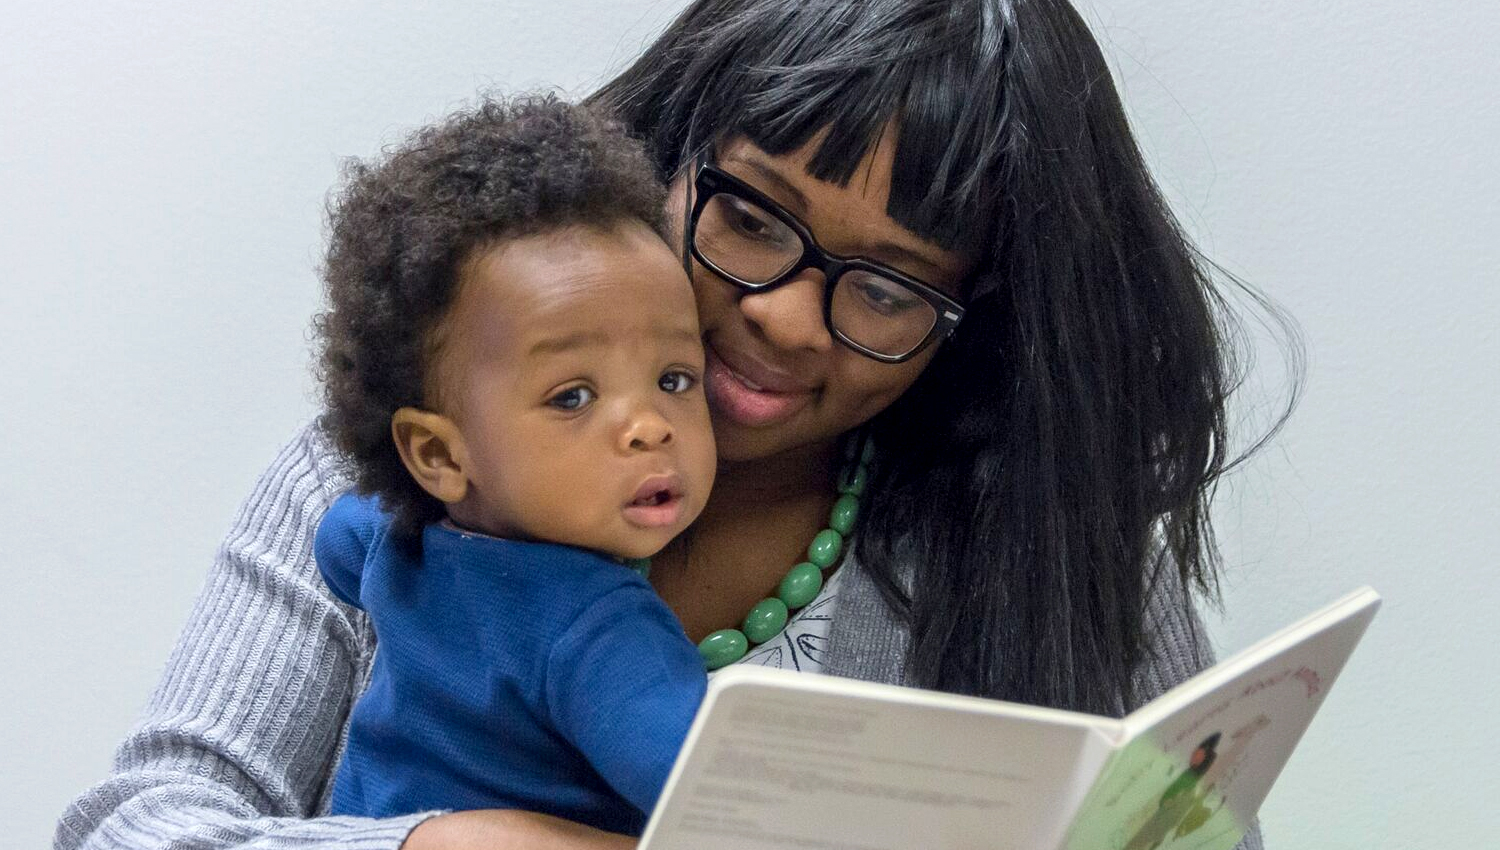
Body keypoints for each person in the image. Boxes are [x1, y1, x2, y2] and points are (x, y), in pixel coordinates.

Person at [54, 1, 1285, 849]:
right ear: (667, 157)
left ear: (971, 321)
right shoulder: (396, 470)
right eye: (750, 216)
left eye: (884, 289)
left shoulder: (1049, 545)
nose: (784, 317)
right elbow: (138, 826)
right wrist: (446, 843)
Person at [310, 97, 716, 833]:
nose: (651, 426)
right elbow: (712, 798)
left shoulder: (392, 539)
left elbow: (336, 544)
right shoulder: (601, 629)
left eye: (675, 379)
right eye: (573, 397)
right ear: (437, 453)